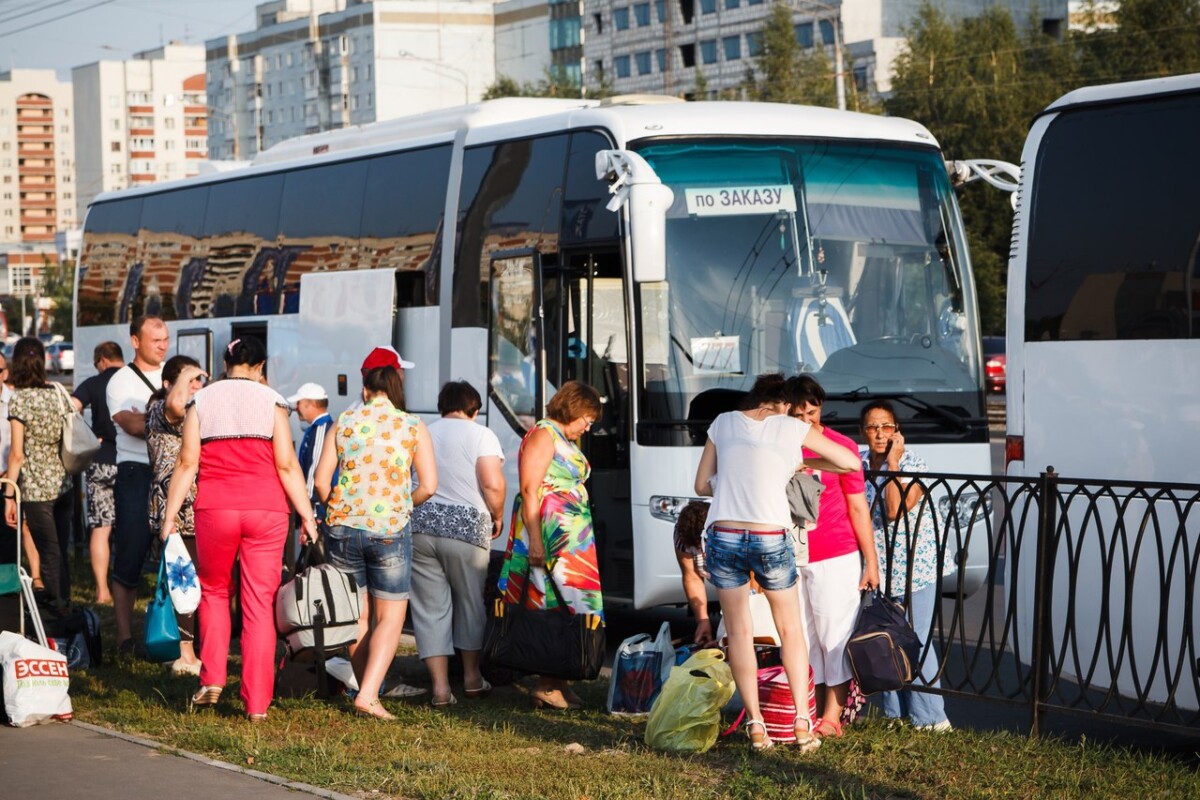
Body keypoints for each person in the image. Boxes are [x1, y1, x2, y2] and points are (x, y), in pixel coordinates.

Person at [693, 372, 861, 752]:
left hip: (724, 535)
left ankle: (755, 725)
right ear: (785, 404)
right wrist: (796, 461)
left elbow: (701, 485)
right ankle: (803, 724)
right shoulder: (789, 428)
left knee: (738, 633)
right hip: (770, 536)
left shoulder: (722, 422)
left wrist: (733, 481)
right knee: (791, 631)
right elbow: (849, 461)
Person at [160, 337, 317, 722]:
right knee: (260, 604)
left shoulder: (202, 401)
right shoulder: (274, 401)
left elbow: (186, 463)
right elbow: (285, 466)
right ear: (260, 367)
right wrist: (308, 516)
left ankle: (212, 676)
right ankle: (257, 703)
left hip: (216, 508)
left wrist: (169, 516)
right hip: (267, 510)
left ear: (225, 363)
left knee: (213, 590)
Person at [314, 350, 436, 720]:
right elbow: (429, 485)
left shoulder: (345, 421)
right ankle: (368, 694)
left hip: (343, 527)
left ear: (365, 385)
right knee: (391, 617)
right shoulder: (412, 425)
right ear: (396, 383)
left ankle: (365, 686)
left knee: (356, 617)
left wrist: (339, 509)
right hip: (389, 529)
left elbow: (321, 481)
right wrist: (401, 503)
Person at [497, 380, 605, 711]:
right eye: (587, 418)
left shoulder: (558, 436)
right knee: (552, 607)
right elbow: (530, 489)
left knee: (570, 608)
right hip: (551, 538)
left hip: (571, 544)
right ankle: (546, 684)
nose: (588, 427)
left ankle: (560, 680)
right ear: (574, 408)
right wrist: (536, 540)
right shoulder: (544, 435)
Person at [784, 375, 879, 739]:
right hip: (791, 553)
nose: (807, 419)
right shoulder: (780, 446)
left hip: (835, 554)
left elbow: (859, 509)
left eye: (812, 410)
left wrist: (870, 561)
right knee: (802, 636)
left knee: (833, 634)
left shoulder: (839, 446)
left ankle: (833, 714)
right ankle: (810, 708)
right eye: (798, 413)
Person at [409, 381, 506, 707]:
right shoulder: (481, 434)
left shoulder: (424, 431)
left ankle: (439, 688)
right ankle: (472, 678)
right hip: (466, 529)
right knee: (470, 603)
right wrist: (498, 515)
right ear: (475, 409)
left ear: (442, 406)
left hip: (421, 525)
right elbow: (491, 483)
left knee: (429, 608)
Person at [859, 400, 952, 732]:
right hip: (877, 567)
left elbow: (896, 508)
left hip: (916, 566)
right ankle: (893, 715)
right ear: (863, 432)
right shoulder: (857, 461)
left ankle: (930, 718)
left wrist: (893, 461)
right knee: (883, 640)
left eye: (887, 426)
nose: (880, 433)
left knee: (917, 638)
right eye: (873, 427)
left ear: (897, 430)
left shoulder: (912, 462)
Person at [107, 315, 169, 655]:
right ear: (135, 341)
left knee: (178, 556)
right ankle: (124, 638)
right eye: (155, 339)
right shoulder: (120, 381)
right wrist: (171, 417)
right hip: (135, 472)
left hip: (171, 473)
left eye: (166, 339)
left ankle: (178, 637)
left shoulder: (174, 373)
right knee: (130, 556)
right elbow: (130, 424)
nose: (163, 345)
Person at [146, 354, 206, 676]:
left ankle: (192, 648)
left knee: (195, 581)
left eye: (198, 381)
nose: (194, 386)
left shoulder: (197, 412)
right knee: (183, 582)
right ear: (168, 383)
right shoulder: (158, 409)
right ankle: (184, 653)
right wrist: (189, 376)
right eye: (187, 380)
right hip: (174, 511)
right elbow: (175, 406)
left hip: (197, 509)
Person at [4, 338, 72, 612]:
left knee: (48, 552)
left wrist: (9, 495)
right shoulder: (57, 391)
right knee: (61, 552)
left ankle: (56, 614)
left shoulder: (19, 400)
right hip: (64, 484)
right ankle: (66, 606)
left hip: (36, 490)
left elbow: (17, 454)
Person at [71, 341, 125, 605]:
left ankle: (103, 591)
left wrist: (88, 437)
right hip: (131, 461)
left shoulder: (94, 383)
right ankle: (128, 586)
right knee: (131, 527)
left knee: (101, 528)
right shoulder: (133, 378)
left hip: (101, 461)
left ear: (103, 360)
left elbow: (72, 406)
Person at [289, 381, 332, 529]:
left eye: (299, 403)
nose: (296, 408)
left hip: (316, 510)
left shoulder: (321, 429)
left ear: (311, 404)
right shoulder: (316, 428)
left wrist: (308, 506)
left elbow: (315, 469)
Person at [674, 499, 715, 646]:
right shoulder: (682, 532)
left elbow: (749, 579)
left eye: (701, 545)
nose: (699, 552)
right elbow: (692, 577)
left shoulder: (723, 526)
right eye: (694, 547)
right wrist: (702, 620)